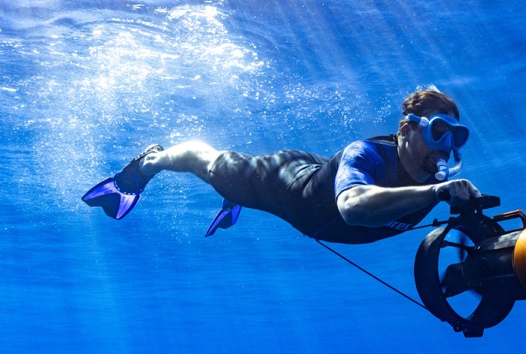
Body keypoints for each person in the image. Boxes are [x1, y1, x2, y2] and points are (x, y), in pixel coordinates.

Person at [82, 89, 480, 243]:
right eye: (439, 131)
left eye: (456, 137)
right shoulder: (368, 155)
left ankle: (233, 198)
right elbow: (352, 208)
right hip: (285, 182)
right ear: (406, 129)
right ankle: (149, 163)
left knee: (236, 188)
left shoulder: (433, 183)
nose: (445, 147)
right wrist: (435, 192)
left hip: (321, 173)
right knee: (205, 163)